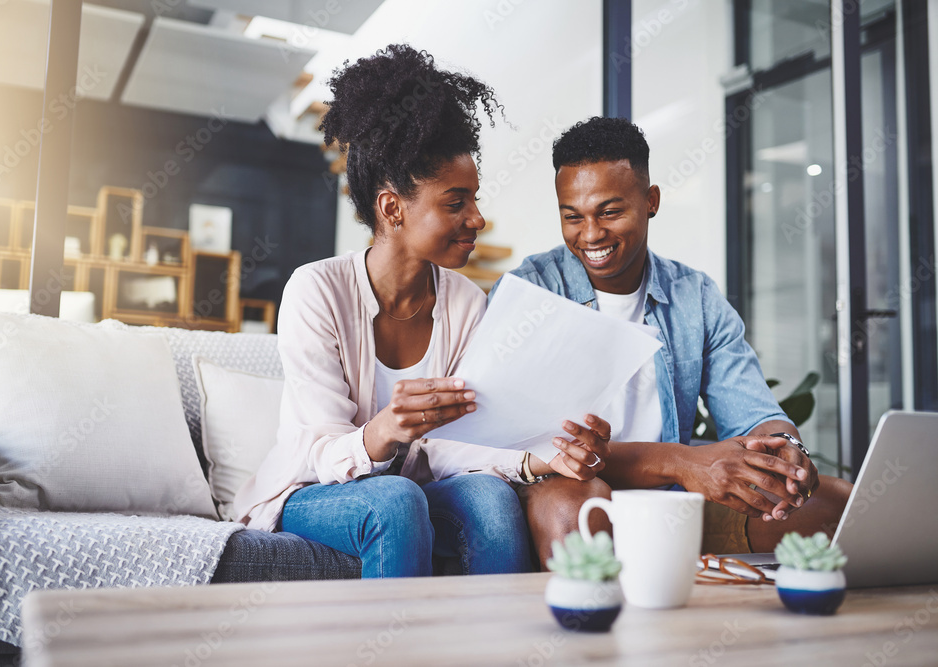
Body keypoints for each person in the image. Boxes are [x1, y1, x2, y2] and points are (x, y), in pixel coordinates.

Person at [234, 45, 602, 577]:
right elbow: (321, 452)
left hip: (413, 486)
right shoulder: (315, 291)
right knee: (395, 499)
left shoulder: (466, 303)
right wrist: (384, 430)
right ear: (392, 207)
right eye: (456, 202)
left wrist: (539, 459)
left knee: (490, 502)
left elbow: (457, 446)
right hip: (310, 490)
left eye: (475, 199)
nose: (477, 219)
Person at [494, 116, 853, 568]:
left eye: (609, 211)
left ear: (651, 201)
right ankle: (594, 635)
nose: (590, 235)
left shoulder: (694, 295)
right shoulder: (531, 291)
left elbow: (754, 414)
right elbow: (521, 447)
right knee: (577, 503)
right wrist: (681, 462)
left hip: (670, 500)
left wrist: (785, 451)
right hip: (568, 488)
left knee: (833, 507)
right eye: (572, 217)